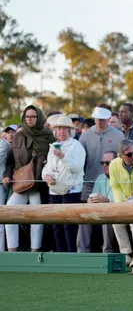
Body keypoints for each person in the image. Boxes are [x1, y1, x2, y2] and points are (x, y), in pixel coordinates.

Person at [4, 105, 56, 252]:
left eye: (33, 116)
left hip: (39, 185)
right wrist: (7, 175)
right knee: (8, 212)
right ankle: (12, 250)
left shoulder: (48, 136)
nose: (30, 119)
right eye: (27, 116)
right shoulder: (18, 136)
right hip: (21, 183)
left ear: (39, 117)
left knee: (37, 219)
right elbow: (10, 160)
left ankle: (35, 251)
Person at [42, 115, 86, 253]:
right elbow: (47, 167)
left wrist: (63, 156)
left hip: (71, 191)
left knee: (69, 225)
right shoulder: (52, 147)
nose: (61, 131)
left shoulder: (76, 146)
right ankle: (60, 254)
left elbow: (78, 168)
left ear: (70, 131)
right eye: (59, 128)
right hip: (54, 190)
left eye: (65, 129)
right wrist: (46, 176)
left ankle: (71, 255)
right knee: (56, 225)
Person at [89, 151, 119, 253]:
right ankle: (82, 252)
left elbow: (124, 200)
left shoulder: (122, 178)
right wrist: (91, 200)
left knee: (107, 219)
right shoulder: (100, 178)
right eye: (103, 163)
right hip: (99, 212)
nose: (104, 165)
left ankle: (107, 252)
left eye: (108, 163)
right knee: (82, 221)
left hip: (115, 212)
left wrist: (107, 200)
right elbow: (93, 195)